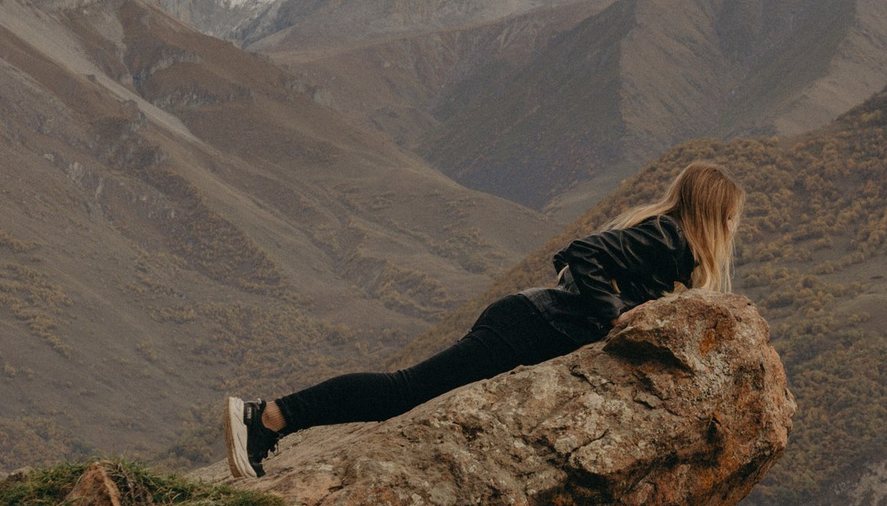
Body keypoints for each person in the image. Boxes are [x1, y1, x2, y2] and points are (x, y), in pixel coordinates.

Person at [224, 158, 744, 480]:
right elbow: (581, 252)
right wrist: (613, 322)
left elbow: (584, 264)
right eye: (731, 219)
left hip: (530, 323)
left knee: (407, 395)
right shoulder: (668, 235)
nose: (732, 230)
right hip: (527, 326)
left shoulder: (666, 244)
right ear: (715, 214)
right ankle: (268, 417)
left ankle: (273, 419)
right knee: (403, 392)